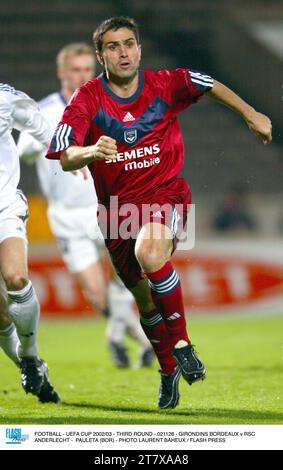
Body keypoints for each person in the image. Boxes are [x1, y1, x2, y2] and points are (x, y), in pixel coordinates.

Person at [46, 17, 272, 409]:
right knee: (145, 303)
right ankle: (168, 370)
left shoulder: (166, 83)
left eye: (129, 44)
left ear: (139, 48)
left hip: (165, 195)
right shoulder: (87, 98)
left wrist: (251, 113)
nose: (123, 52)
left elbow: (209, 83)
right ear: (101, 56)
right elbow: (65, 155)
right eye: (113, 47)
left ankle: (182, 343)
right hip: (116, 212)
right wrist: (90, 151)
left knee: (150, 254)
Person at [17, 43, 154, 369]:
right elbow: (24, 151)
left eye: (86, 70)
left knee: (128, 276)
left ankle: (135, 340)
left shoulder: (107, 103)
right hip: (66, 214)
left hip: (108, 205)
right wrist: (60, 146)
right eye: (75, 70)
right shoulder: (44, 110)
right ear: (62, 73)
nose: (82, 76)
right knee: (96, 294)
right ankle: (137, 338)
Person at [0, 83, 60, 403]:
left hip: (4, 206)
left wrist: (68, 153)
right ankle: (31, 366)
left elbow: (44, 129)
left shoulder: (4, 99)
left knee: (17, 277)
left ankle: (32, 353)